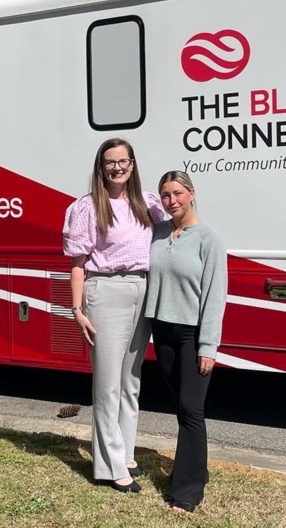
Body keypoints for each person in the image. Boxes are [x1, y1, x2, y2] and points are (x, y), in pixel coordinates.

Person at [62, 137, 166, 493]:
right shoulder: (89, 207)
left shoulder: (146, 204)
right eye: (110, 162)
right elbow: (77, 264)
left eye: (123, 161)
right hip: (105, 292)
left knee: (130, 381)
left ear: (133, 165)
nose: (117, 167)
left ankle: (125, 451)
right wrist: (77, 309)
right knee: (107, 385)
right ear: (101, 167)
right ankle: (108, 466)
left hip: (142, 288)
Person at [143, 171, 227, 513]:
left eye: (177, 193)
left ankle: (188, 491)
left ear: (191, 194)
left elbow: (215, 294)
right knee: (181, 407)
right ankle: (196, 469)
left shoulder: (209, 238)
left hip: (192, 335)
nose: (171, 200)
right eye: (165, 195)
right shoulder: (158, 233)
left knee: (192, 410)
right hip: (162, 332)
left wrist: (209, 345)